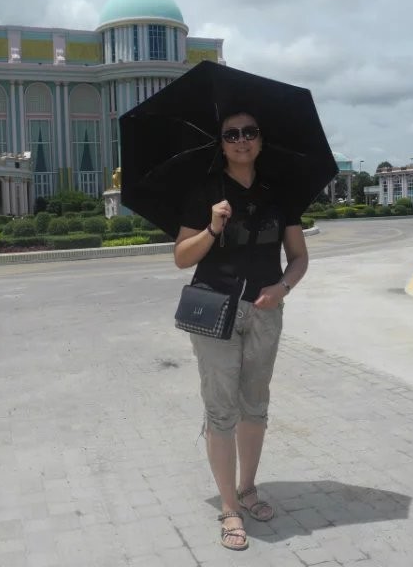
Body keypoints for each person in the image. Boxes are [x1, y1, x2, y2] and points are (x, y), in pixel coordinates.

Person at [173, 111, 309, 551]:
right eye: (231, 134)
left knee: (255, 404)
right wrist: (213, 227)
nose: (241, 140)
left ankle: (248, 488)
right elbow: (181, 257)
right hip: (215, 311)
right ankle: (229, 507)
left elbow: (299, 257)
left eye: (249, 132)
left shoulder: (279, 192)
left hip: (265, 312)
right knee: (221, 410)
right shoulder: (205, 192)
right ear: (222, 143)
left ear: (261, 140)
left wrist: (283, 288)